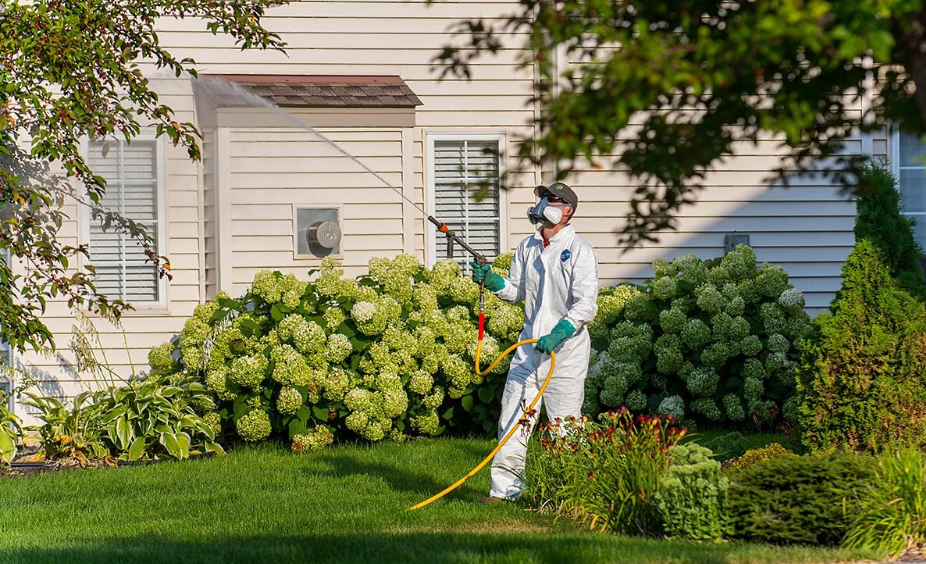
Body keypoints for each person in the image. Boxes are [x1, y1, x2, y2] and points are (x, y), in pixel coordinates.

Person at [471, 181, 599, 503]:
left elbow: (586, 304)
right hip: (528, 349)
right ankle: (505, 492)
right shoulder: (527, 247)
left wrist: (559, 332)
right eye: (543, 198)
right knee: (512, 419)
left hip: (565, 353)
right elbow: (519, 292)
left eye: (552, 200)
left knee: (565, 425)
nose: (544, 204)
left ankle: (571, 492)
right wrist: (495, 281)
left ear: (567, 210)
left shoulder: (580, 250)